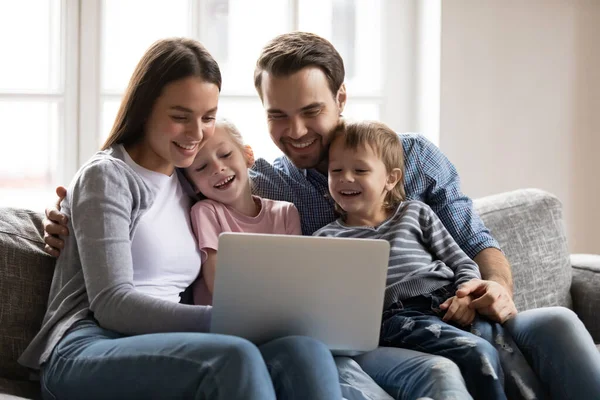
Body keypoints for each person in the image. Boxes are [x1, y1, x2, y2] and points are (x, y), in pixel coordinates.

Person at [42, 32, 600, 400]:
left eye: (311, 110)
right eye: (279, 116)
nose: (298, 131)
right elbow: (179, 194)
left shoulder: (409, 159)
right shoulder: (267, 184)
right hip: (387, 330)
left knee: (557, 323)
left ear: (341, 99)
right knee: (428, 369)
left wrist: (497, 287)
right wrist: (73, 225)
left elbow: (472, 233)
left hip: (456, 305)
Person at [21, 37, 342, 400]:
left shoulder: (192, 182)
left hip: (167, 343)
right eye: (180, 117)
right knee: (231, 357)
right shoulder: (108, 175)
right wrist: (229, 320)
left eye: (208, 117)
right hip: (86, 345)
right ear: (145, 109)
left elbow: (242, 192)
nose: (196, 134)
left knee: (305, 352)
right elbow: (111, 304)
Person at [314, 120, 551, 400]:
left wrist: (465, 294)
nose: (345, 178)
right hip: (399, 316)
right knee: (478, 352)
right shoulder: (326, 238)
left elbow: (461, 262)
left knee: (507, 350)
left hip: (450, 301)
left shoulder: (416, 213)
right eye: (336, 171)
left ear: (390, 178)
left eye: (360, 170)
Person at [182, 118, 301, 303]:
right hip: (226, 316)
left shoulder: (286, 213)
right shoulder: (206, 212)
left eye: (225, 154)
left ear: (248, 156)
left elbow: (295, 278)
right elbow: (217, 284)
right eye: (201, 167)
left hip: (277, 310)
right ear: (193, 184)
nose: (217, 168)